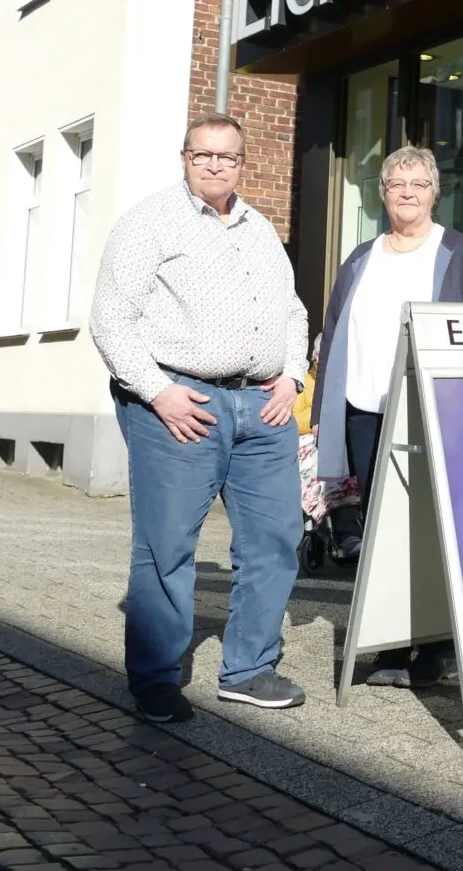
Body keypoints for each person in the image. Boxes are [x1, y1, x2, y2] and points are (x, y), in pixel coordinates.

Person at [89, 114, 310, 724]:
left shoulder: (260, 227)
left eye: (227, 157)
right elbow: (110, 320)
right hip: (182, 405)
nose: (214, 165)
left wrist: (292, 375)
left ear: (243, 162)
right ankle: (156, 678)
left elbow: (293, 311)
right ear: (184, 156)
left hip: (262, 408)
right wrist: (159, 393)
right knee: (167, 545)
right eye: (203, 155)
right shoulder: (149, 222)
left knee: (274, 539)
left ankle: (249, 668)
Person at [316, 144, 463, 685]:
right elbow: (334, 336)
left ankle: (440, 643)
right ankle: (391, 641)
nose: (406, 192)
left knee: (436, 522)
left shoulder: (460, 253)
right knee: (381, 527)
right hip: (366, 410)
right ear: (382, 193)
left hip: (434, 411)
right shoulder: (360, 258)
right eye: (397, 183)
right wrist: (324, 410)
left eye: (418, 184)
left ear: (434, 193)